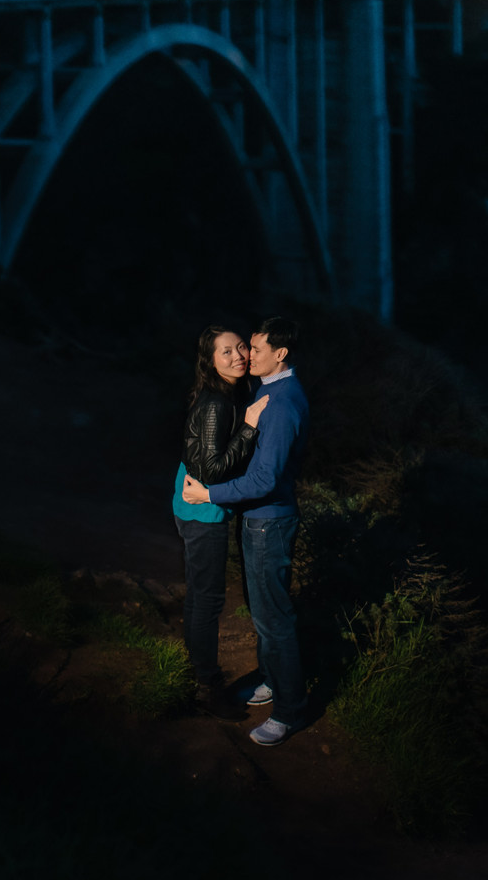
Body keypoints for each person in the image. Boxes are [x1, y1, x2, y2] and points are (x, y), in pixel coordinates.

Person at [182, 315, 308, 747]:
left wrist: (209, 496)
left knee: (274, 621)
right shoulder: (265, 390)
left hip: (268, 520)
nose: (246, 356)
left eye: (254, 349)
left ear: (280, 353)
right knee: (263, 614)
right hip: (258, 518)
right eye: (241, 348)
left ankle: (290, 712)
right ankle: (271, 681)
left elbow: (264, 480)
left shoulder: (282, 402)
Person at [173, 325, 261, 721]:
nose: (238, 356)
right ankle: (207, 686)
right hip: (202, 509)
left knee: (198, 594)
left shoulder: (225, 395)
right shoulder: (217, 404)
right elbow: (211, 469)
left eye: (241, 347)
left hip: (193, 503)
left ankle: (194, 674)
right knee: (207, 600)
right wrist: (250, 428)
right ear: (211, 361)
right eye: (226, 352)